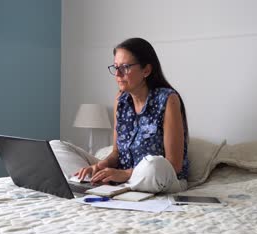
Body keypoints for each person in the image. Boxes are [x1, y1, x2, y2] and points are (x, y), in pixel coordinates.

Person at [74, 37, 189, 193]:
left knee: (154, 165)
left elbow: (173, 165)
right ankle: (81, 180)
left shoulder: (168, 99)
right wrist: (101, 165)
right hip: (121, 178)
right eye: (116, 67)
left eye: (125, 67)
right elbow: (116, 153)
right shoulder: (120, 100)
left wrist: (124, 174)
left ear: (146, 70)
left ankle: (125, 182)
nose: (118, 74)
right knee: (57, 147)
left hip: (161, 178)